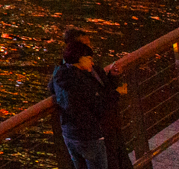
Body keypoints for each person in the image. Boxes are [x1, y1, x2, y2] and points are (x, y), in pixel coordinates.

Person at [61, 28, 132, 167]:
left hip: (109, 129)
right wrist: (116, 93)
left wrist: (112, 77)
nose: (90, 48)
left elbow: (101, 90)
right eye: (85, 44)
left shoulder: (89, 67)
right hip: (98, 134)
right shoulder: (71, 76)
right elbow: (95, 101)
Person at [52, 39, 116, 169]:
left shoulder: (59, 73)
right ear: (80, 59)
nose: (92, 62)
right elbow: (97, 105)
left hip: (70, 133)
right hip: (89, 134)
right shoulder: (82, 81)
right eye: (89, 58)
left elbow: (52, 89)